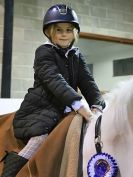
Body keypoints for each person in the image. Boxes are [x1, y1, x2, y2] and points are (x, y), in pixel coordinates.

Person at [1, 3, 106, 177]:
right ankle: (10, 172)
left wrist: (97, 105)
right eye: (59, 30)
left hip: (64, 108)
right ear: (50, 32)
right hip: (41, 108)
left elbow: (88, 82)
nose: (64, 34)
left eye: (68, 29)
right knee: (39, 139)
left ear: (74, 32)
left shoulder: (76, 55)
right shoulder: (43, 52)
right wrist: (79, 104)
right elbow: (54, 80)